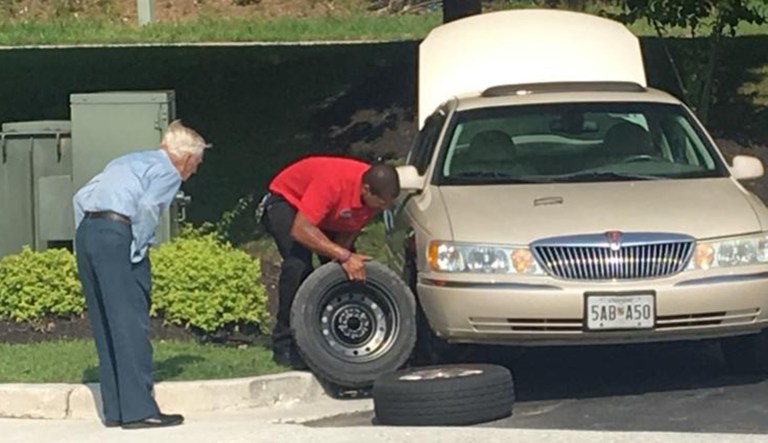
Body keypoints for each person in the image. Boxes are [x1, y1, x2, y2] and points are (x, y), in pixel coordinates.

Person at [73, 120, 209, 429]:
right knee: (129, 321)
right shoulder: (168, 172)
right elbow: (148, 206)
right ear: (186, 158)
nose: (194, 172)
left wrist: (87, 236)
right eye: (196, 164)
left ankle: (115, 409)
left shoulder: (127, 160)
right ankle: (138, 410)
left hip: (88, 233)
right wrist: (138, 246)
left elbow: (80, 198)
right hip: (117, 233)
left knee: (105, 322)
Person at [258, 155, 400, 369]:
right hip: (288, 202)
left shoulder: (376, 198)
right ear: (366, 190)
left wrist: (343, 257)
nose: (382, 209)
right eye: (380, 204)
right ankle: (285, 344)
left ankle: (329, 339)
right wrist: (344, 256)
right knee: (299, 266)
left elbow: (352, 226)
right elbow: (300, 230)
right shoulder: (333, 183)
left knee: (344, 273)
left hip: (327, 214)